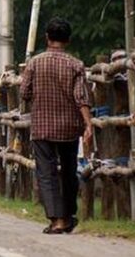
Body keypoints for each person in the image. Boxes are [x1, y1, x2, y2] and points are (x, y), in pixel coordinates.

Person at [20, 17, 93, 235]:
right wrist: (88, 125)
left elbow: (24, 93)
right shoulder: (76, 64)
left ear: (47, 38)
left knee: (46, 172)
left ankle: (56, 220)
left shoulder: (34, 63)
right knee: (69, 171)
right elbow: (81, 98)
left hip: (42, 126)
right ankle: (68, 216)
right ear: (68, 40)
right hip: (69, 127)